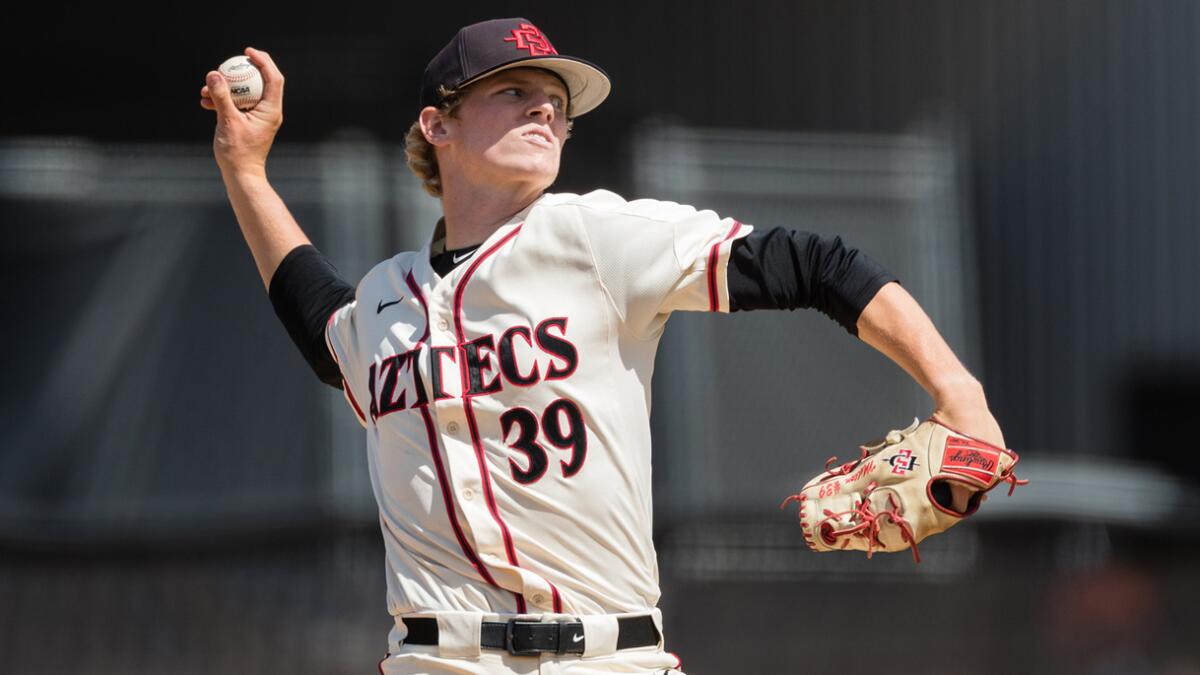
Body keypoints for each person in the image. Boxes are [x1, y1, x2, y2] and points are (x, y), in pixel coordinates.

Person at [201, 17, 1005, 675]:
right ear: (436, 123)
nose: (545, 110)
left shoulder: (592, 236)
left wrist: (957, 390)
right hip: (434, 662)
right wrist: (246, 171)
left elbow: (819, 264)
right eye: (514, 92)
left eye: (557, 102)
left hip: (606, 657)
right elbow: (322, 328)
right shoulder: (384, 299)